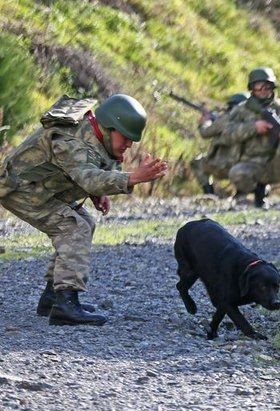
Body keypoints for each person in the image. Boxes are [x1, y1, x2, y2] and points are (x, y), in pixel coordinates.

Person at [0, 94, 168, 326]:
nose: (129, 145)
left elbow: (84, 170)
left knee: (84, 222)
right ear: (110, 128)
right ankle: (65, 304)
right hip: (19, 189)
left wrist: (97, 193)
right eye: (126, 138)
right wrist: (133, 178)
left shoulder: (96, 135)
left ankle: (52, 297)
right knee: (73, 227)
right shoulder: (73, 141)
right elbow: (87, 175)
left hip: (40, 186)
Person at [224, 67, 280, 208]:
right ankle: (259, 194)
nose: (263, 90)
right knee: (236, 173)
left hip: (279, 163)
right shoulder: (241, 110)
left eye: (267, 86)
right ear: (251, 89)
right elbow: (227, 133)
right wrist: (253, 127)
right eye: (258, 87)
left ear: (273, 87)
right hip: (252, 163)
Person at [190, 92, 250, 195]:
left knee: (196, 163)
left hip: (222, 166)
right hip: (246, 167)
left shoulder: (224, 119)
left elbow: (205, 133)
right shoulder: (252, 122)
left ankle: (209, 194)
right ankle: (241, 193)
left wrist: (204, 123)